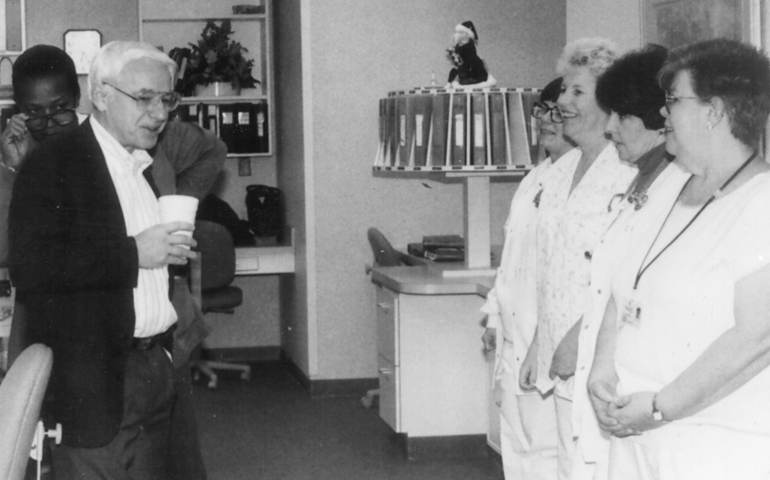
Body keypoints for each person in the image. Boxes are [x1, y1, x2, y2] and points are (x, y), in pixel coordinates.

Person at [0, 44, 224, 480]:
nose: (159, 112)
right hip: (99, 382)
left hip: (154, 366)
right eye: (144, 98)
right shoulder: (50, 162)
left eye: (166, 99)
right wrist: (134, 253)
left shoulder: (140, 161)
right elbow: (30, 266)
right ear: (101, 96)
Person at [588, 38, 770, 480]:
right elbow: (623, 285)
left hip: (712, 443)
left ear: (715, 112)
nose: (663, 112)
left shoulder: (760, 203)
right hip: (636, 434)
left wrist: (658, 407)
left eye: (673, 100)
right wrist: (601, 369)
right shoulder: (669, 184)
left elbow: (755, 338)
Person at [518, 37, 636, 480]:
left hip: (593, 355)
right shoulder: (561, 170)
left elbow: (616, 275)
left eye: (576, 92)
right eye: (564, 90)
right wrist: (537, 342)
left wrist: (573, 340)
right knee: (562, 467)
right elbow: (551, 267)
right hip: (556, 357)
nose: (562, 101)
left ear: (607, 102)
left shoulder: (624, 172)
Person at [570, 44, 690, 480]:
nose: (612, 128)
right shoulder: (639, 182)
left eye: (623, 116)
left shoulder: (679, 188)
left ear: (658, 122)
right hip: (613, 390)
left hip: (649, 398)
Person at [481, 76, 574, 480]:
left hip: (547, 345)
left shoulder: (580, 182)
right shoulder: (533, 178)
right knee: (517, 449)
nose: (546, 121)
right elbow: (512, 263)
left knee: (546, 454)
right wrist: (493, 317)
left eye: (558, 113)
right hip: (513, 340)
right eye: (542, 110)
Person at [446, 20, 497, 88]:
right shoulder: (458, 47)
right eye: (457, 32)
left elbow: (468, 61)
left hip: (475, 75)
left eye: (460, 32)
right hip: (465, 74)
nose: (457, 34)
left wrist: (455, 56)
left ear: (467, 34)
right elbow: (458, 64)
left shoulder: (469, 46)